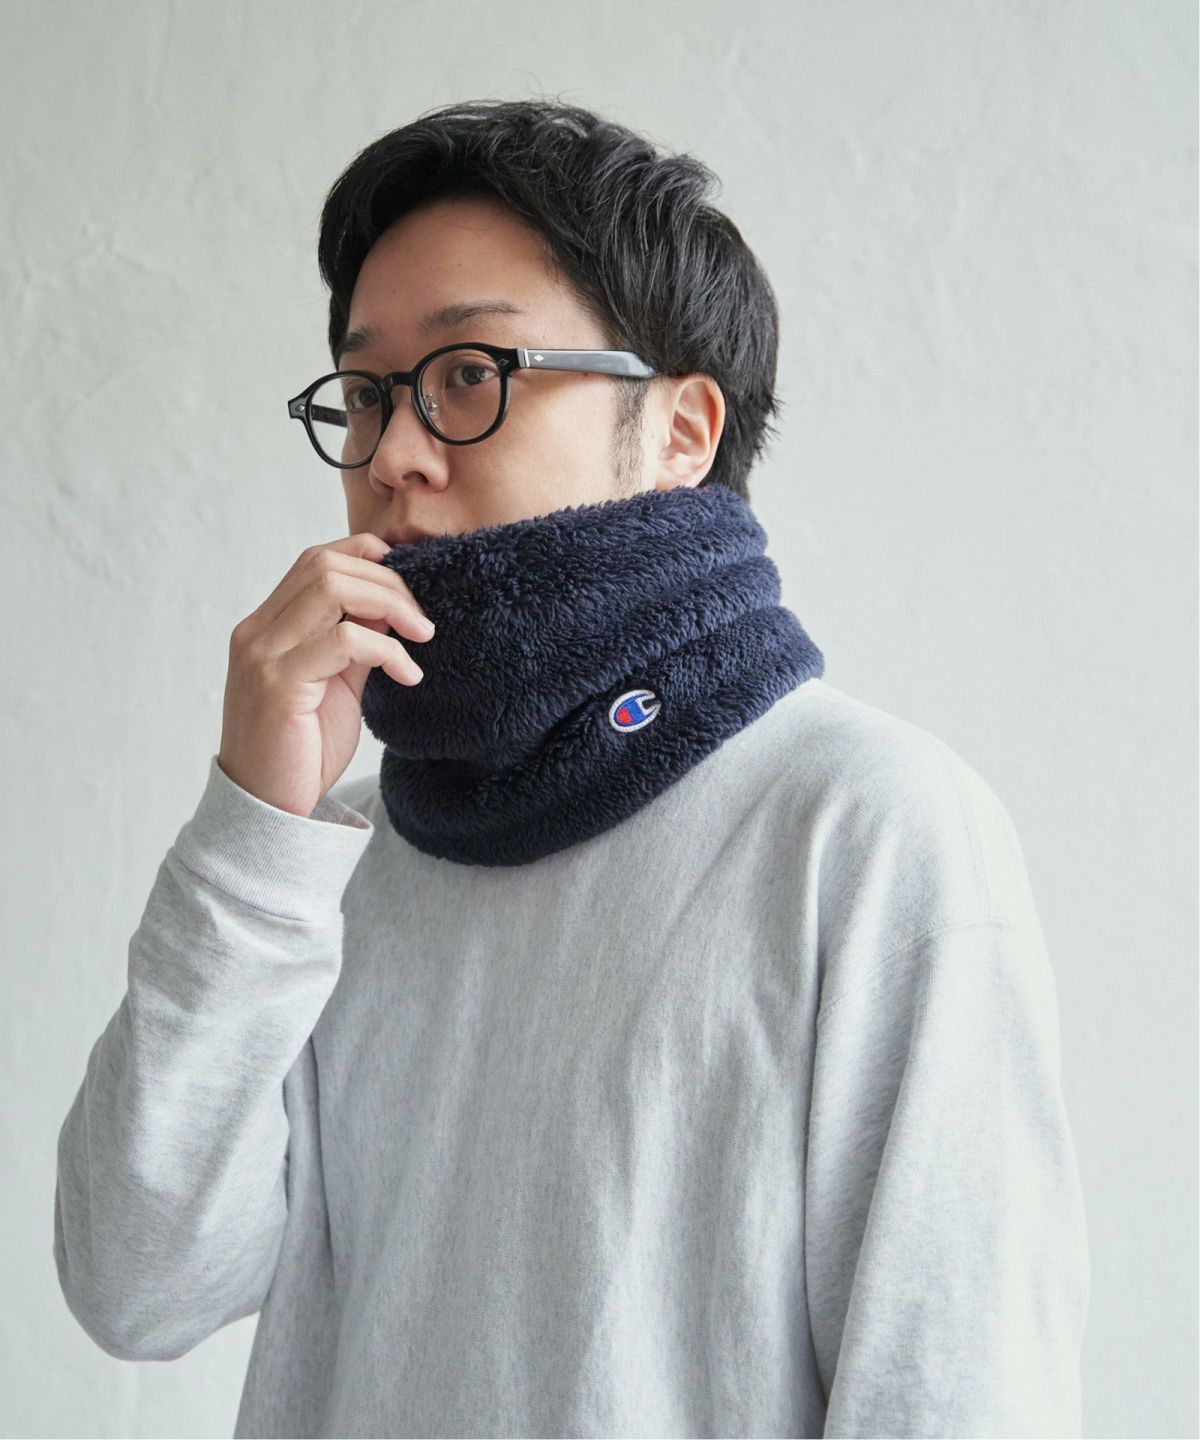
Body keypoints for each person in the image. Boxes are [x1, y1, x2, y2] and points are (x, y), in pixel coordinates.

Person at [53, 98, 1090, 1438]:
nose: (394, 455)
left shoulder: (865, 827)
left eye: (468, 373)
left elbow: (957, 1397)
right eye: (365, 394)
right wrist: (256, 824)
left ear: (684, 431)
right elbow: (137, 1289)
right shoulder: (329, 862)